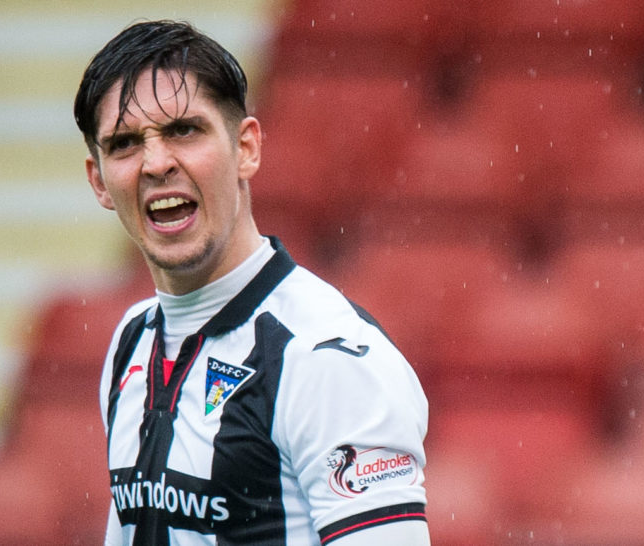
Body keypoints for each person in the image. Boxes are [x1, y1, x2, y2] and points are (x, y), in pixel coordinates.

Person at [73, 20, 430, 545]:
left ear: (247, 148)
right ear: (100, 181)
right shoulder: (132, 340)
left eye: (183, 130)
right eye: (125, 143)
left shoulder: (326, 358)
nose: (156, 163)